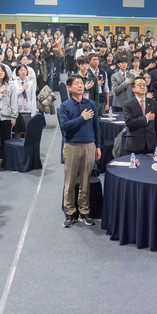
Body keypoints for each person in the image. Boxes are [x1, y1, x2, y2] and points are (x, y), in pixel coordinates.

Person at [58, 75, 102, 228]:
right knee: (70, 181)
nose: (80, 86)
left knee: (85, 182)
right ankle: (70, 212)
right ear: (69, 87)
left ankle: (84, 212)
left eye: (81, 83)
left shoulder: (90, 104)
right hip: (72, 146)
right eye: (76, 83)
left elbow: (96, 127)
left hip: (89, 146)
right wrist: (82, 118)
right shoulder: (65, 106)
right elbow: (64, 126)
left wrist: (98, 146)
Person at [122, 76, 157, 155]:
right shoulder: (128, 104)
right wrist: (146, 118)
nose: (142, 87)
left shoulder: (153, 103)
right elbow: (129, 123)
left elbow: (156, 124)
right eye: (139, 85)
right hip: (134, 144)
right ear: (133, 89)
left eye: (144, 85)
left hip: (150, 144)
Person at [11, 64, 37, 138]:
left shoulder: (30, 83)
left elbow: (33, 98)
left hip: (27, 110)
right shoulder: (14, 83)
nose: (23, 72)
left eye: (25, 70)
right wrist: (22, 89)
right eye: (21, 70)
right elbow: (14, 95)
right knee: (17, 132)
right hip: (17, 110)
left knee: (27, 131)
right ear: (17, 72)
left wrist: (33, 112)